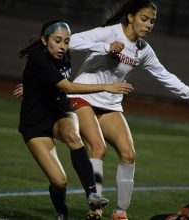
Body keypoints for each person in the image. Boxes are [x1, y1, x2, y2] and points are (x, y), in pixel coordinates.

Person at [67, 1, 189, 219]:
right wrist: (106, 47)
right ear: (130, 17)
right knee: (98, 148)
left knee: (129, 154)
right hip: (84, 95)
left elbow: (164, 75)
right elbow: (72, 41)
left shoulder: (143, 50)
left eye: (152, 21)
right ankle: (96, 207)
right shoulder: (110, 33)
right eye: (144, 19)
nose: (148, 25)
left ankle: (120, 213)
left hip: (110, 103)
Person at [17, 20, 133, 220]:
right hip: (35, 123)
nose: (63, 46)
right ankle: (60, 210)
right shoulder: (38, 58)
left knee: (73, 134)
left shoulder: (63, 56)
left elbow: (52, 83)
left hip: (60, 112)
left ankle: (92, 195)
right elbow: (68, 87)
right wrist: (107, 86)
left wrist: (32, 85)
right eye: (57, 41)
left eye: (67, 41)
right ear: (45, 41)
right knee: (59, 181)